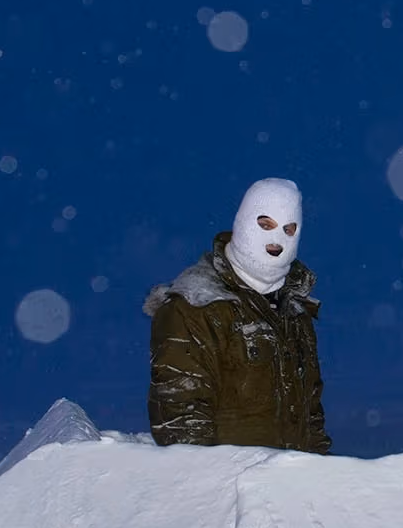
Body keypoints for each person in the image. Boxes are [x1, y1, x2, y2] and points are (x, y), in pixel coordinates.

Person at [141, 177, 330, 453]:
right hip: (233, 492)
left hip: (292, 492)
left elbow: (311, 418)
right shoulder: (196, 307)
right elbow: (182, 428)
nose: (276, 240)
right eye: (265, 224)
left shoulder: (295, 312)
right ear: (243, 223)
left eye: (289, 229)